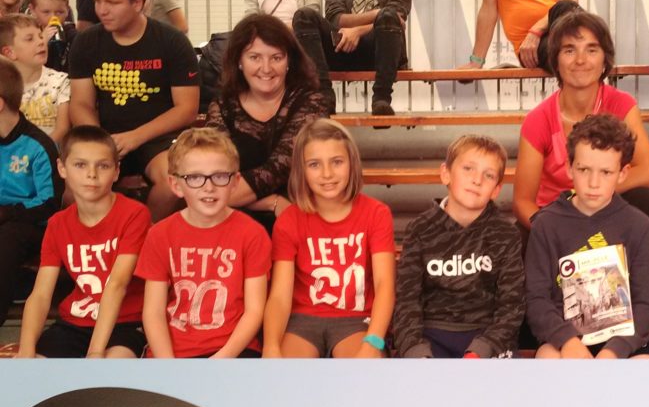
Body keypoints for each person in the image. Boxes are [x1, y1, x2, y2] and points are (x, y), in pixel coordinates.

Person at [512, 10, 649, 346]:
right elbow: (523, 201)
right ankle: (532, 329)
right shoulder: (539, 119)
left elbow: (646, 170)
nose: (580, 60)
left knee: (647, 204)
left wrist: (596, 195)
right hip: (556, 216)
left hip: (608, 209)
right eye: (569, 50)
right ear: (555, 60)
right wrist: (560, 226)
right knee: (523, 233)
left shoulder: (621, 104)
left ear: (605, 60)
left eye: (591, 49)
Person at [525, 114, 649, 359]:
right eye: (584, 169)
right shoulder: (545, 224)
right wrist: (568, 341)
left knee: (646, 365)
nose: (593, 183)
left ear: (623, 173)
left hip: (623, 341)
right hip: (564, 338)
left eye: (606, 172)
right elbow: (536, 300)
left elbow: (648, 303)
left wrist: (614, 350)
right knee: (547, 358)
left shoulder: (638, 224)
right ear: (569, 167)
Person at [69, 0, 200, 221]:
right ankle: (101, 235)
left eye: (112, 3)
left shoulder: (172, 41)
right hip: (105, 133)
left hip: (158, 137)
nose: (101, 10)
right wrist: (99, 140)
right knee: (70, 188)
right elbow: (80, 104)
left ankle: (143, 235)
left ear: (137, 3)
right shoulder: (86, 42)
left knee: (173, 182)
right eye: (97, 1)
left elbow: (187, 109)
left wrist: (136, 137)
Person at [263, 119, 395, 358]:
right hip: (302, 320)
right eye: (314, 164)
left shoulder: (376, 214)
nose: (327, 174)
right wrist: (271, 346)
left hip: (356, 319)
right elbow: (280, 296)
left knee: (361, 373)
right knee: (285, 375)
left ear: (352, 163)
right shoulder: (289, 220)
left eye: (337, 162)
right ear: (301, 170)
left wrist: (373, 342)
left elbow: (384, 285)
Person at [16, 125, 150, 358]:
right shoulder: (58, 224)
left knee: (113, 365)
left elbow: (117, 284)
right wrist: (26, 351)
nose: (92, 174)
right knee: (36, 366)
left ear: (116, 171)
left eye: (103, 166)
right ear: (62, 168)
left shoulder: (135, 214)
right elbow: (40, 295)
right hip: (76, 322)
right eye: (80, 165)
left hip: (125, 322)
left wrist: (95, 353)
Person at [137, 128, 271, 358]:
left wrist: (221, 360)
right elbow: (153, 312)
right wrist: (167, 364)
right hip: (174, 352)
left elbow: (254, 310)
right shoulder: (159, 235)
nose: (209, 187)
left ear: (235, 182)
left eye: (219, 176)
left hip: (233, 351)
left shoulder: (253, 234)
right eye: (195, 177)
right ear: (176, 185)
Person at [393, 135, 525, 359]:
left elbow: (512, 306)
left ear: (496, 189)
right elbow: (407, 301)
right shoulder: (420, 229)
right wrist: (415, 349)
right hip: (431, 334)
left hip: (487, 335)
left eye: (488, 175)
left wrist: (482, 349)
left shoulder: (506, 234)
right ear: (446, 173)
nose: (477, 180)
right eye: (468, 169)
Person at [205, 14, 327, 217]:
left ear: (289, 61)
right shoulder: (223, 105)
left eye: (276, 58)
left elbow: (279, 169)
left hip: (300, 213)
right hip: (233, 216)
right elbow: (212, 176)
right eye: (255, 57)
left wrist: (222, 195)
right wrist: (271, 203)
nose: (266, 68)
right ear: (239, 61)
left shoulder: (311, 103)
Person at [0, 57, 62, 327]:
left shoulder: (38, 145)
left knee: (8, 238)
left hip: (30, 224)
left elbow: (48, 203)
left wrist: (8, 213)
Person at [292, 0, 411, 116]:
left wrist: (358, 31)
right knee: (303, 15)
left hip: (381, 51)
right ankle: (324, 97)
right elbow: (336, 19)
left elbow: (396, 17)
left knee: (388, 16)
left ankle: (381, 99)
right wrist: (376, 14)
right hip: (342, 46)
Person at [458, 0, 578, 72]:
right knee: (572, 52)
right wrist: (476, 61)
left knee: (569, 8)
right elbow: (488, 10)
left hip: (560, 27)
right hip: (531, 46)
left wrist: (537, 30)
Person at [0, 14, 70, 143]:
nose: (41, 42)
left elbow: (62, 129)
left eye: (41, 36)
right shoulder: (3, 87)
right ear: (9, 52)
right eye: (30, 39)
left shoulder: (61, 81)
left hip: (48, 151)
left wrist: (37, 150)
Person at [27, 0, 77, 73]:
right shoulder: (27, 37)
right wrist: (42, 43)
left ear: (67, 10)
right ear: (32, 10)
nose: (53, 18)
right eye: (46, 12)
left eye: (59, 12)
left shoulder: (74, 37)